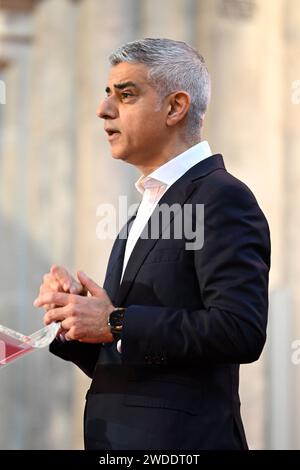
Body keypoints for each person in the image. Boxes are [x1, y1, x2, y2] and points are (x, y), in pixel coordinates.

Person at [34, 38, 270, 450]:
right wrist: (75, 322)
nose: (103, 110)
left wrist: (115, 322)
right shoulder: (142, 209)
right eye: (107, 94)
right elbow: (135, 358)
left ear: (175, 108)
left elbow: (241, 330)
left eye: (126, 94)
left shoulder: (221, 196)